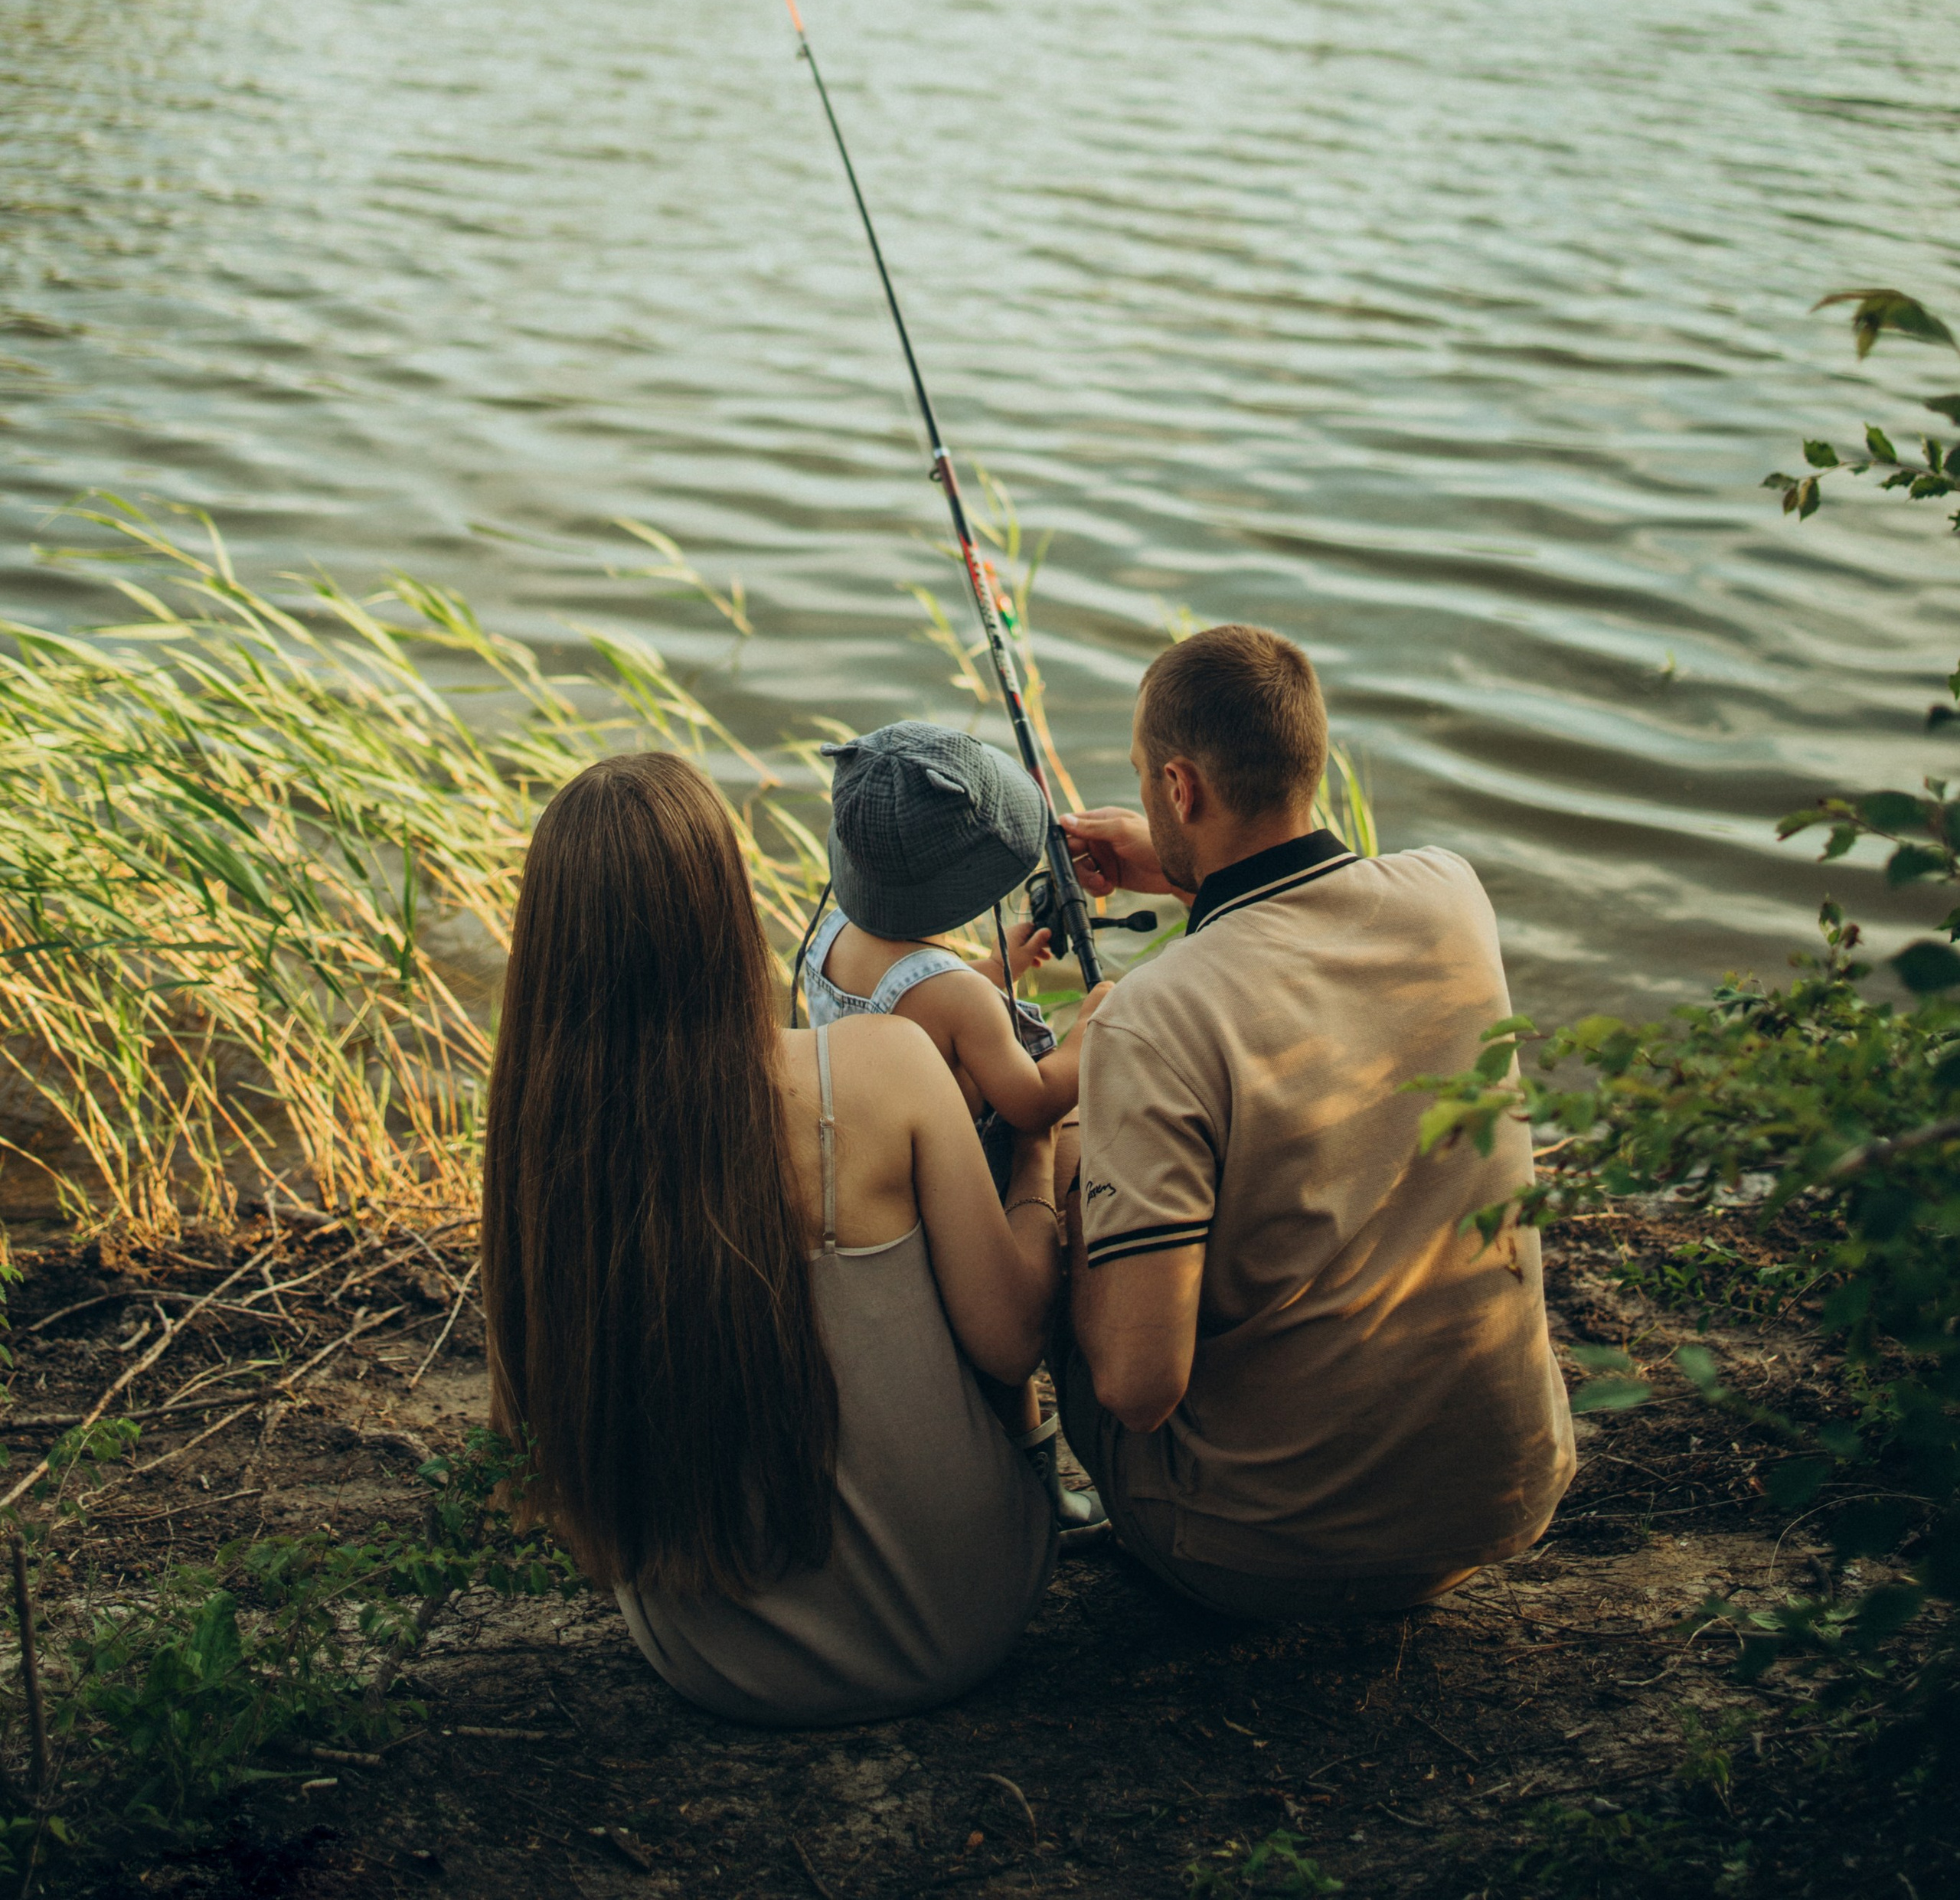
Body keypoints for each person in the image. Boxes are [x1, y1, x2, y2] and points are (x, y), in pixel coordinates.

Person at [480, 749, 1060, 1727]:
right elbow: (1013, 1341)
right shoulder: (879, 1066)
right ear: (725, 909)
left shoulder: (544, 1136)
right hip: (964, 1617)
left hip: (710, 1657)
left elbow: (534, 1420)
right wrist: (1040, 1157)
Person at [1054, 625, 1576, 1620]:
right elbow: (1311, 910)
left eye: (1144, 776)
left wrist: (1065, 1173)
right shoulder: (1453, 899)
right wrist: (1179, 870)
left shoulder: (1150, 1017)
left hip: (1260, 1557)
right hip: (1493, 1511)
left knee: (1057, 1168)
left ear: (1179, 788)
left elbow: (1136, 1386)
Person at [803, 720, 1112, 1538]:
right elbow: (1031, 1100)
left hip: (866, 1160)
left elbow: (905, 998)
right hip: (945, 1177)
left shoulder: (828, 938)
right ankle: (1041, 1494)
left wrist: (982, 973)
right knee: (1008, 1367)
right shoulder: (958, 999)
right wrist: (1094, 1029)